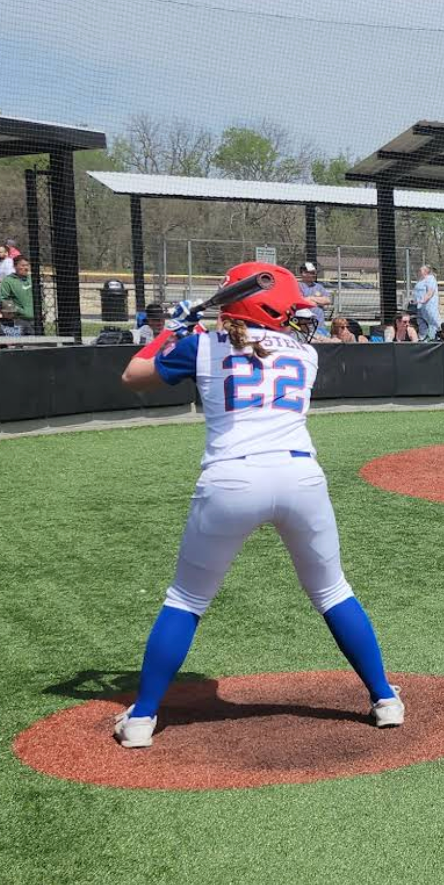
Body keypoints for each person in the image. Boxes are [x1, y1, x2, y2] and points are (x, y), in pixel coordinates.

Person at [112, 262, 403, 747]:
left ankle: (142, 718)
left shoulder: (200, 345)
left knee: (186, 600)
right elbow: (261, 341)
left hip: (231, 479)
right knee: (332, 592)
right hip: (299, 476)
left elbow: (132, 376)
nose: (300, 318)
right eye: (292, 309)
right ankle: (384, 699)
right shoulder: (304, 354)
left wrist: (168, 333)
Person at [410, 264, 440, 341]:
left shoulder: (430, 278)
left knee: (432, 322)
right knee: (420, 321)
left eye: (420, 270)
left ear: (426, 271)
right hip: (419, 306)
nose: (419, 272)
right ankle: (423, 338)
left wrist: (423, 300)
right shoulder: (421, 279)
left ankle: (434, 338)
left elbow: (430, 292)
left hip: (429, 306)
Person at [299, 262, 330, 329]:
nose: (314, 275)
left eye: (315, 273)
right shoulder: (298, 286)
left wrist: (311, 298)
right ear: (303, 273)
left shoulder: (319, 287)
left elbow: (327, 300)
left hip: (320, 325)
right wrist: (319, 300)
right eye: (312, 273)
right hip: (305, 326)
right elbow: (301, 301)